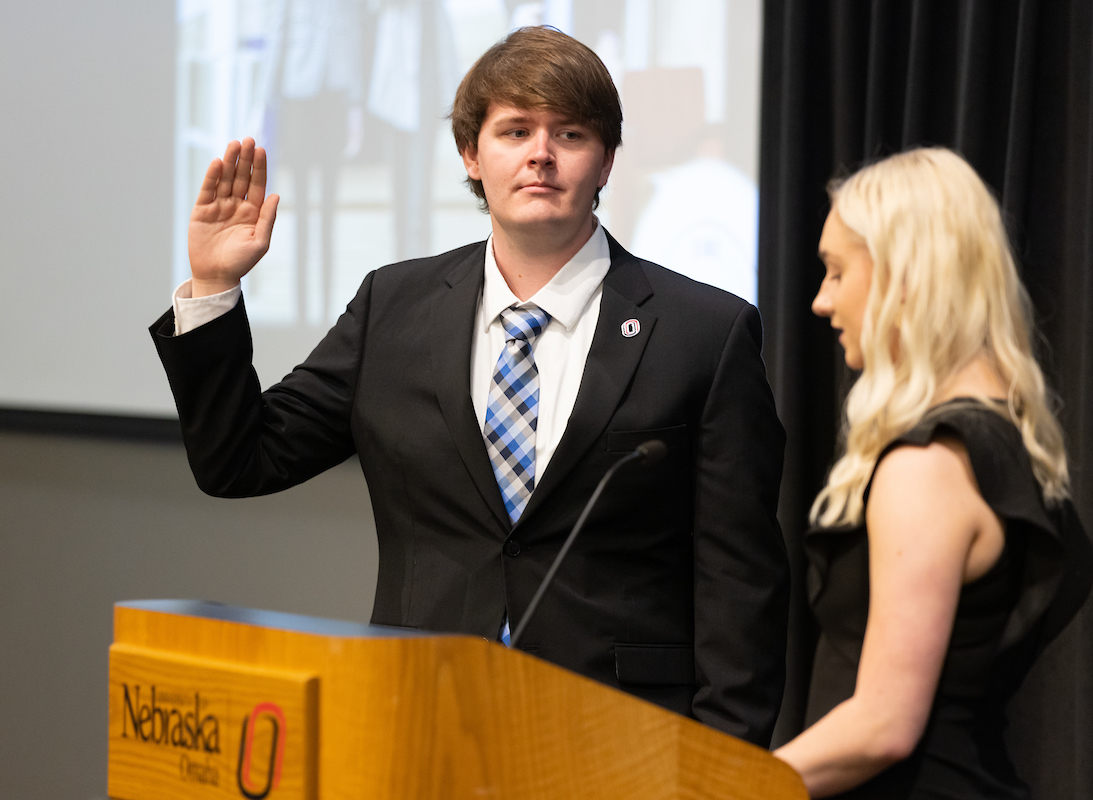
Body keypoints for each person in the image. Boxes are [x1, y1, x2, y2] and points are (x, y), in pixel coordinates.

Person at [150, 26, 789, 747]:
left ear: (607, 161)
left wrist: (721, 776)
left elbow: (743, 589)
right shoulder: (393, 308)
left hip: (622, 744)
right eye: (515, 130)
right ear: (471, 154)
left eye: (569, 133)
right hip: (419, 728)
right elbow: (240, 460)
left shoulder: (704, 331)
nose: (540, 155)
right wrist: (213, 287)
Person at [773, 148, 1093, 796]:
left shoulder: (929, 463)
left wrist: (720, 784)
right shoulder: (1005, 439)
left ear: (902, 275)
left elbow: (884, 724)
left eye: (836, 273)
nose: (819, 301)